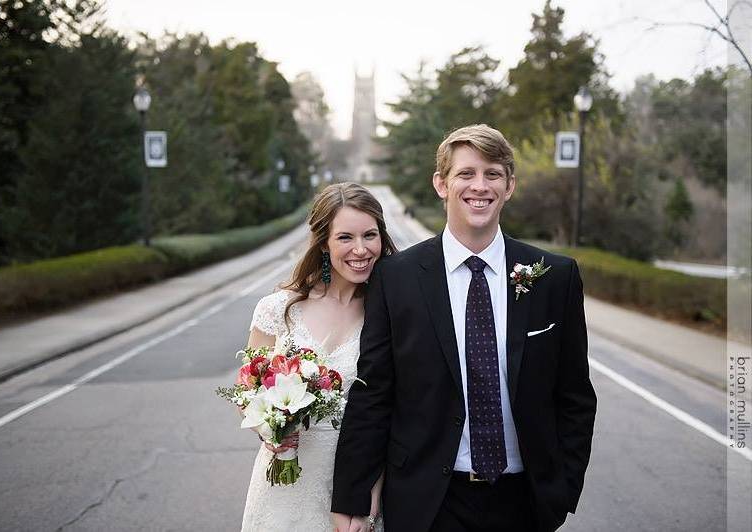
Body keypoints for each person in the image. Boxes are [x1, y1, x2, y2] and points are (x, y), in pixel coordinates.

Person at [331, 124, 597, 532]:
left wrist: (563, 488)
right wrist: (351, 493)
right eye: (466, 173)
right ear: (441, 184)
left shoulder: (554, 277)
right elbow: (373, 393)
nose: (480, 186)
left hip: (523, 501)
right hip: (428, 502)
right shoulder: (397, 277)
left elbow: (575, 395)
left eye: (493, 174)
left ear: (509, 186)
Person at [240, 182, 397, 532]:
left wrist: (370, 498)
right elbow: (247, 394)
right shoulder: (277, 309)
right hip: (283, 486)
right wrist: (271, 430)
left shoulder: (390, 313)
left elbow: (395, 413)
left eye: (370, 235)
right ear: (323, 243)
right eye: (345, 238)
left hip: (359, 486)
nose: (360, 249)